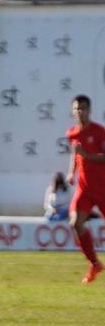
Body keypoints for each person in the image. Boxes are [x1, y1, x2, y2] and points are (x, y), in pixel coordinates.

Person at [66, 94, 105, 283]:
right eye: (76, 108)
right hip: (85, 188)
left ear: (89, 110)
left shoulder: (99, 132)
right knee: (75, 222)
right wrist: (70, 172)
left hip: (103, 187)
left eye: (83, 108)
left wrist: (87, 155)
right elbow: (75, 155)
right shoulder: (72, 133)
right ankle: (95, 263)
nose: (79, 111)